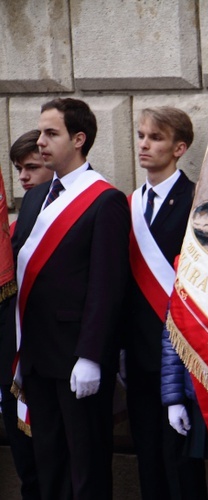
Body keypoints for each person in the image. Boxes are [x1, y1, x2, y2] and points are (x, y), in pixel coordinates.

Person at [11, 97, 130, 500]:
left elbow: (107, 286)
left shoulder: (105, 200)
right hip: (36, 356)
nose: (41, 142)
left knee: (87, 466)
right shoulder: (34, 199)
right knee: (50, 462)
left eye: (51, 133)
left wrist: (92, 356)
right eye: (40, 132)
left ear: (79, 139)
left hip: (77, 358)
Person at [123, 106, 208, 500]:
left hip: (183, 352)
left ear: (179, 148)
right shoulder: (129, 204)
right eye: (141, 135)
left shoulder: (197, 201)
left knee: (183, 464)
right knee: (148, 459)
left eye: (155, 138)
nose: (144, 144)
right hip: (138, 354)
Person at [0, 129, 52, 500]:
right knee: (26, 463)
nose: (23, 178)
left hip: (53, 359)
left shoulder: (93, 205)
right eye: (18, 169)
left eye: (31, 167)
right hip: (14, 362)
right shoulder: (18, 225)